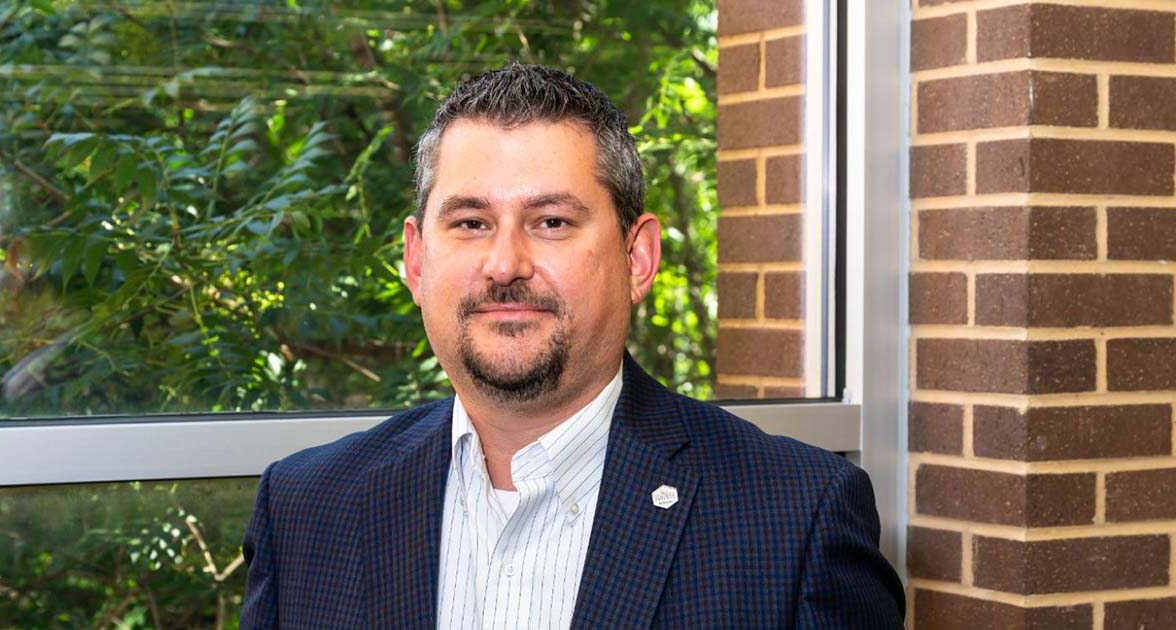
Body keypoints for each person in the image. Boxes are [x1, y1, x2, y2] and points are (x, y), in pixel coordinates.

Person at [239, 64, 905, 629]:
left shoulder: (794, 520)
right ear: (416, 262)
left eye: (551, 221)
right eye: (471, 222)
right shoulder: (306, 509)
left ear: (637, 258)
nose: (504, 264)